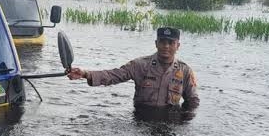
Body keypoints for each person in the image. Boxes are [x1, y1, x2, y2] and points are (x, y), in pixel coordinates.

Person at [67, 27, 199, 111]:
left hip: (170, 122)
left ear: (178, 46)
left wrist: (183, 123)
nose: (166, 46)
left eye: (171, 43)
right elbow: (114, 75)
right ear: (156, 43)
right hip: (142, 120)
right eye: (162, 42)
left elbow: (192, 101)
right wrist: (85, 73)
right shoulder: (140, 65)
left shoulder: (185, 71)